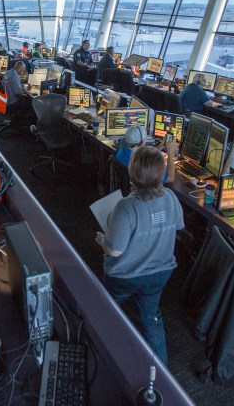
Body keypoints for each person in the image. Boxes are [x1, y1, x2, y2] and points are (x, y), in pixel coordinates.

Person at [96, 145, 184, 365]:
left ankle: (107, 354)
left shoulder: (125, 206)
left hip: (125, 277)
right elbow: (178, 226)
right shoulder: (172, 198)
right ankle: (161, 374)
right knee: (151, 318)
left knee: (109, 310)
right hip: (160, 275)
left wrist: (101, 239)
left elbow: (115, 250)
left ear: (132, 172)